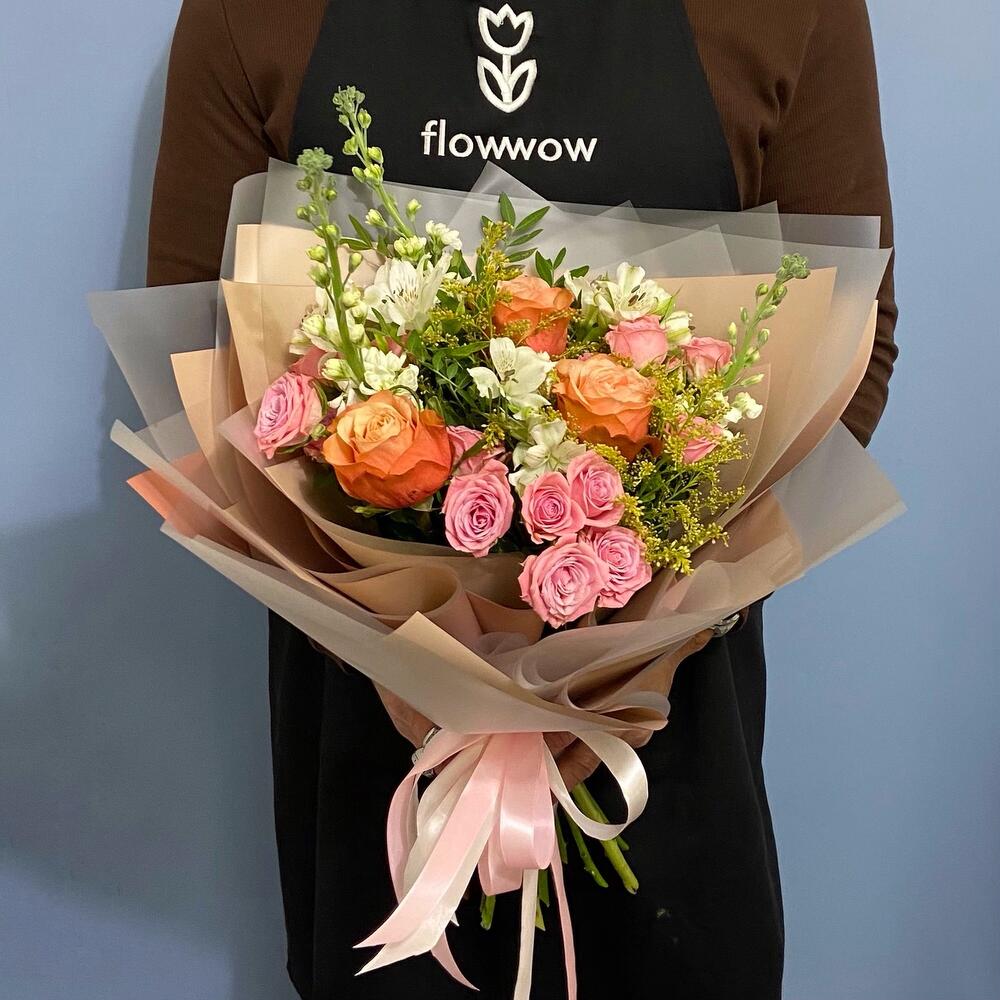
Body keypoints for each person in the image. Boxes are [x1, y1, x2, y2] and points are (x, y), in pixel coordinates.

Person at [147, 2, 897, 997]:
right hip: (379, 752)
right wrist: (413, 664)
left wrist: (626, 659)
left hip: (660, 746)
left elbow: (850, 350)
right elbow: (194, 360)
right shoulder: (252, 14)